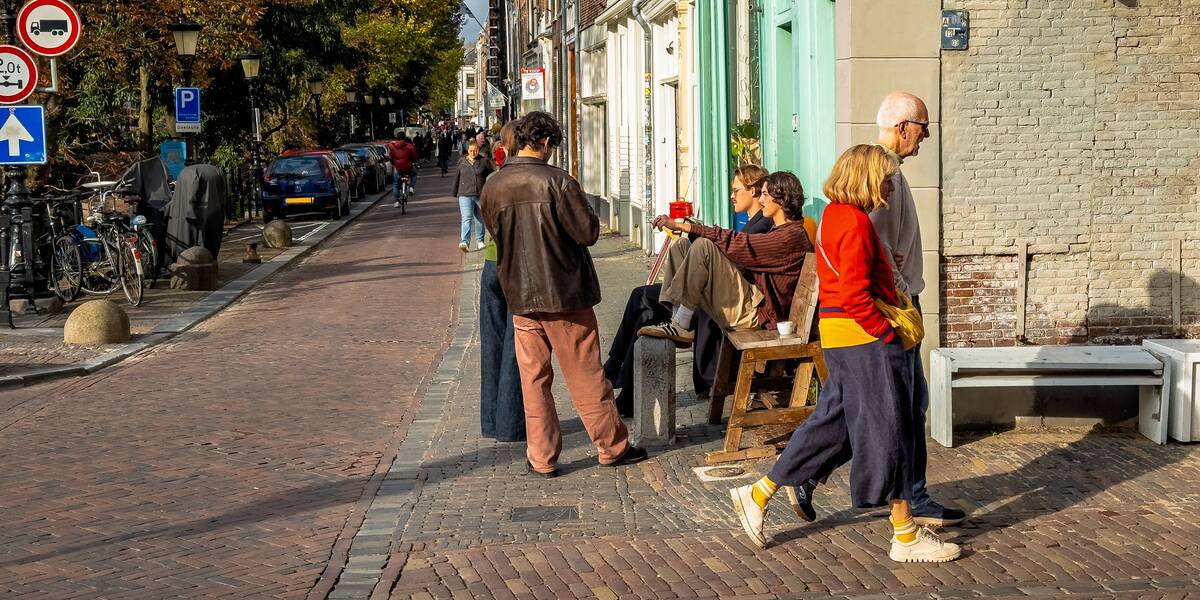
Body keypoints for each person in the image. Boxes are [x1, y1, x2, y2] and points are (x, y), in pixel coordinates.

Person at [728, 144, 961, 563]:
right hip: (863, 338)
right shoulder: (853, 221)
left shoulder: (836, 215)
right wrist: (886, 332)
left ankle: (759, 493)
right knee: (891, 427)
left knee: (836, 425)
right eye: (885, 178)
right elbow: (855, 294)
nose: (890, 185)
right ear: (868, 178)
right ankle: (904, 534)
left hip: (841, 336)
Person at [786, 92, 966, 529]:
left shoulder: (888, 172)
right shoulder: (881, 175)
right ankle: (908, 501)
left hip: (877, 311)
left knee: (868, 406)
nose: (926, 136)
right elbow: (878, 253)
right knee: (895, 406)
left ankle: (804, 477)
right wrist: (898, 305)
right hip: (882, 311)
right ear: (904, 127)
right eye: (924, 127)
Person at [481, 111, 648, 477]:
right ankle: (612, 446)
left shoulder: (494, 184)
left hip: (521, 296)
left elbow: (493, 231)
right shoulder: (558, 182)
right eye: (552, 145)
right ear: (544, 143)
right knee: (586, 374)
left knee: (534, 380)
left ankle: (541, 457)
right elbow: (587, 232)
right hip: (565, 293)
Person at [603, 164, 772, 415]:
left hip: (735, 302)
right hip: (715, 293)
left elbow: (735, 250)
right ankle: (622, 371)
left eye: (736, 190)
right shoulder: (752, 222)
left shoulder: (762, 224)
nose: (732, 196)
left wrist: (693, 230)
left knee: (645, 305)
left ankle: (621, 371)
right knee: (676, 252)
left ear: (755, 191)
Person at [637, 171, 814, 345]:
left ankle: (682, 322)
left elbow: (742, 244)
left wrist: (684, 226)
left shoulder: (791, 237)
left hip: (757, 315)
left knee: (703, 246)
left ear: (781, 199)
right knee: (681, 247)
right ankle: (679, 320)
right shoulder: (781, 231)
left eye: (765, 195)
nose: (760, 200)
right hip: (749, 302)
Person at [479, 118, 525, 442]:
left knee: (491, 345)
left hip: (490, 265)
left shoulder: (493, 180)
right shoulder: (526, 180)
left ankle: (491, 421)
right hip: (516, 268)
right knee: (515, 345)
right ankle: (511, 426)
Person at [452, 141, 492, 252]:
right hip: (465, 194)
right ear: (467, 151)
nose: (473, 152)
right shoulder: (462, 162)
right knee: (466, 218)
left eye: (475, 150)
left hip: (480, 194)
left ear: (478, 150)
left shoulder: (484, 161)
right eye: (471, 150)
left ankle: (480, 240)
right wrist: (455, 191)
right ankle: (465, 241)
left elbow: (491, 176)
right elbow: (457, 177)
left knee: (480, 218)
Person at [388, 134, 419, 207]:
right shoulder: (409, 146)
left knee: (396, 184)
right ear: (404, 138)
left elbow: (390, 157)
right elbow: (414, 156)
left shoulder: (392, 146)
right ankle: (411, 187)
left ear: (396, 138)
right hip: (408, 167)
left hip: (398, 168)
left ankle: (396, 201)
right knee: (414, 174)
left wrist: (394, 164)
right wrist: (414, 161)